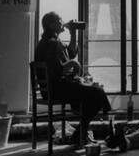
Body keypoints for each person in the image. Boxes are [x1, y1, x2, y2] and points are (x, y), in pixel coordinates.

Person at [34, 11, 111, 145]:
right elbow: (57, 70)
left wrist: (73, 33)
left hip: (55, 87)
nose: (62, 22)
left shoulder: (50, 42)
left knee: (93, 91)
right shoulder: (51, 43)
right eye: (60, 20)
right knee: (97, 92)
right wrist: (73, 64)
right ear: (52, 25)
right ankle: (81, 133)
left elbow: (70, 52)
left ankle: (80, 133)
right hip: (57, 88)